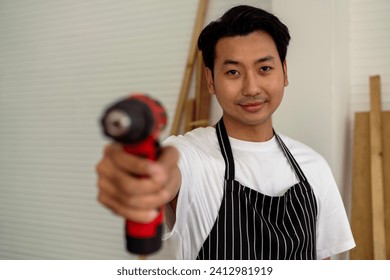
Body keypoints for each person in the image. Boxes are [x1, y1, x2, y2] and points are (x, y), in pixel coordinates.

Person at [96, 5, 355, 260]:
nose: (252, 88)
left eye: (264, 68)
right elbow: (164, 173)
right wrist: (141, 178)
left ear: (284, 71)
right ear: (210, 81)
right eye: (233, 72)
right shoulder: (190, 156)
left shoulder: (313, 166)